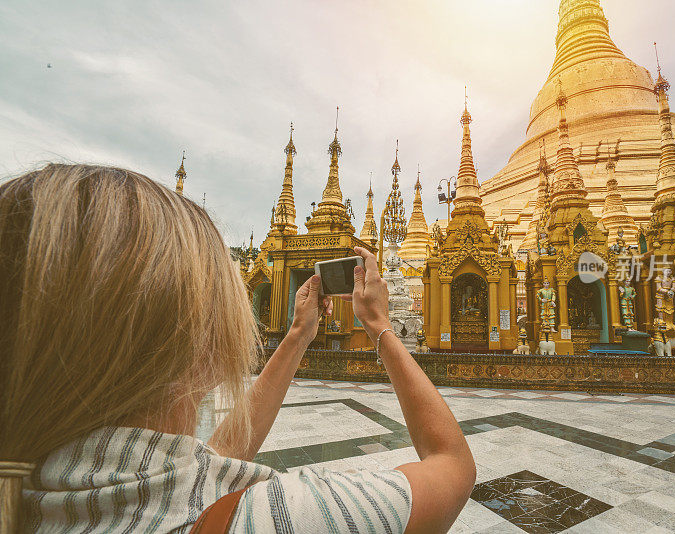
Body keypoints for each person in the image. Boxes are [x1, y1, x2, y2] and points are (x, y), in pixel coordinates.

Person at [0, 164, 475, 533]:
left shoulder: (38, 489)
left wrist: (295, 339)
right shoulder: (270, 519)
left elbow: (208, 464)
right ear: (203, 360)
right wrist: (380, 328)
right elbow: (451, 466)